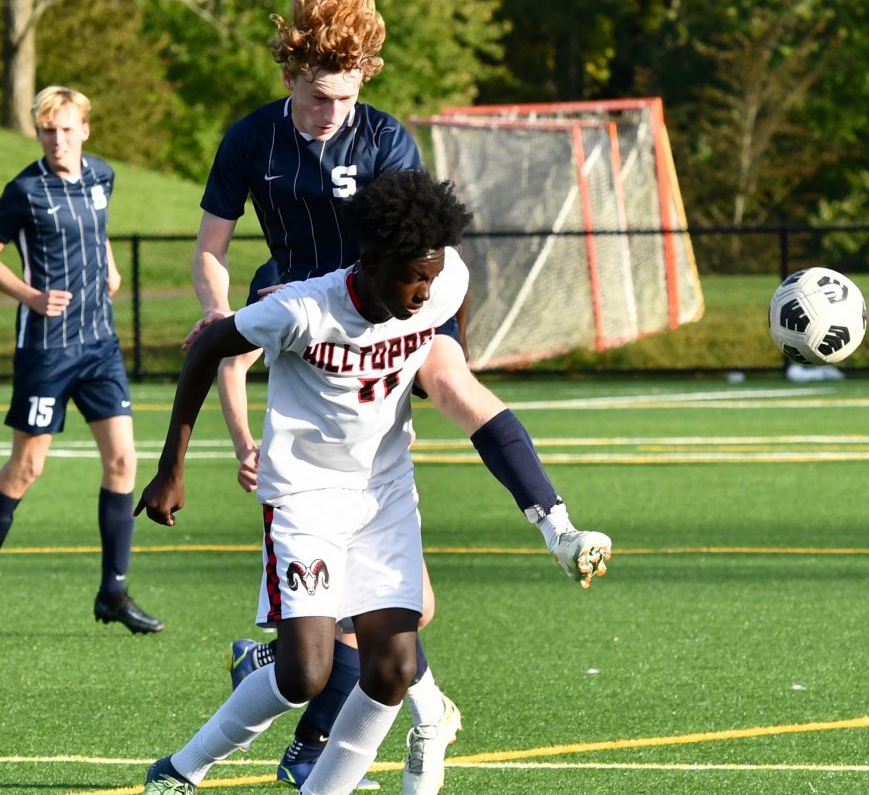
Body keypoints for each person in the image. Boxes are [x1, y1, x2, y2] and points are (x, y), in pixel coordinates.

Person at [188, 0, 600, 793]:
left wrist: (411, 316)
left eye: (345, 96)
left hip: (389, 309)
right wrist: (224, 340)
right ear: (290, 73)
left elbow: (416, 243)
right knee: (388, 612)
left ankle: (555, 523)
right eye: (318, 96)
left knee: (453, 385)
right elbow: (211, 252)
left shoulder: (384, 138)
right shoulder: (250, 140)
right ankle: (374, 716)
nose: (331, 112)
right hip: (310, 323)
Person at [136, 170, 612, 795]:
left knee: (393, 668)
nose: (424, 293)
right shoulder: (303, 308)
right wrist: (171, 468)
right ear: (372, 260)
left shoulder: (442, 285)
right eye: (412, 277)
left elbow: (475, 383)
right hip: (304, 497)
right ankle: (182, 768)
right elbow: (208, 350)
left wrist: (558, 527)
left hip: (385, 496)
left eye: (431, 277)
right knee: (305, 673)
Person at [0, 85, 162, 635]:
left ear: (85, 130)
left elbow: (98, 228)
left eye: (67, 129)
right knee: (27, 468)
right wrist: (30, 296)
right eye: (48, 130)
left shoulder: (102, 176)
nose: (58, 139)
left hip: (100, 344)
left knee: (123, 461)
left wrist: (109, 265)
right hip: (47, 349)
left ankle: (113, 592)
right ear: (39, 133)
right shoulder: (24, 190)